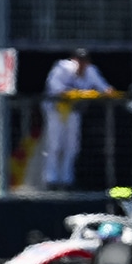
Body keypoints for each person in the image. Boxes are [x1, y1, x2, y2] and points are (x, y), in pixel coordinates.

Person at [42, 48, 113, 190]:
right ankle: (51, 179)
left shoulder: (91, 70)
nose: (81, 63)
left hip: (74, 111)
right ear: (73, 59)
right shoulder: (62, 68)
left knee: (72, 146)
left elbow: (105, 88)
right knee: (55, 145)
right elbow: (57, 90)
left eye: (84, 60)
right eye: (79, 60)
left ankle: (67, 179)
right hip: (56, 111)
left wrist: (108, 92)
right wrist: (81, 93)